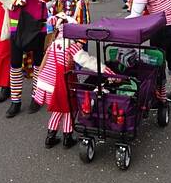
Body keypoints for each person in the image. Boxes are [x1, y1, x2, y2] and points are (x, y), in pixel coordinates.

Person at [35, 13, 115, 149]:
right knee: (69, 109)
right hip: (63, 82)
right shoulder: (70, 46)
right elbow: (88, 61)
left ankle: (50, 137)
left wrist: (37, 77)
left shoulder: (53, 44)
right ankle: (67, 137)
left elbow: (44, 62)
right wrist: (108, 71)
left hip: (48, 82)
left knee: (57, 109)